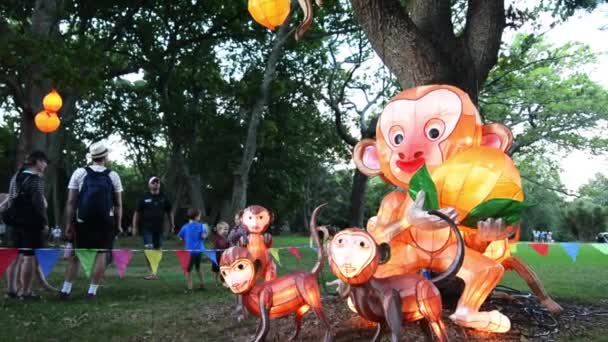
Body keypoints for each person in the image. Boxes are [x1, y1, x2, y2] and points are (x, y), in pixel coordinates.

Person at [60, 141, 123, 299]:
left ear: (92, 157)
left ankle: (65, 290)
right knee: (101, 254)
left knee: (76, 256)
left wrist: (69, 224)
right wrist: (119, 224)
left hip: (83, 221)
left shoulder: (79, 173)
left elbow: (70, 202)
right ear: (105, 156)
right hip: (105, 222)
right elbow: (118, 205)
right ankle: (92, 292)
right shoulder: (113, 175)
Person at [4, 151, 49, 299]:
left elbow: (10, 198)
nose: (46, 165)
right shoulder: (36, 179)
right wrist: (44, 222)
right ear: (37, 162)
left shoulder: (16, 176)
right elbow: (38, 204)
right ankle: (26, 291)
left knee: (13, 255)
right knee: (29, 256)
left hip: (13, 222)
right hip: (31, 223)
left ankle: (11, 289)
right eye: (44, 162)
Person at [132, 176, 174, 280]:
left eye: (157, 182)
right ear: (149, 185)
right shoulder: (144, 198)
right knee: (149, 249)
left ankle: (154, 271)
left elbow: (170, 212)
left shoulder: (164, 197)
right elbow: (137, 213)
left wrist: (172, 225)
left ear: (159, 184)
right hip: (147, 229)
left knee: (158, 250)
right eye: (153, 182)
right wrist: (134, 227)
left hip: (159, 230)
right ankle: (151, 272)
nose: (155, 184)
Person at [178, 208, 207, 291]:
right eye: (200, 215)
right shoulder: (201, 226)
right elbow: (203, 237)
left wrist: (185, 240)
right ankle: (202, 284)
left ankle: (190, 287)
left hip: (189, 252)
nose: (200, 217)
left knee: (188, 270)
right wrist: (205, 234)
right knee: (198, 267)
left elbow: (180, 237)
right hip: (198, 251)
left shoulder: (185, 227)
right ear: (196, 217)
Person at [211, 221, 230, 285]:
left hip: (224, 257)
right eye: (224, 229)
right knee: (216, 270)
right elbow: (216, 247)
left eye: (227, 229)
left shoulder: (227, 238)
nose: (226, 231)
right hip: (217, 257)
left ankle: (224, 281)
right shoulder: (216, 238)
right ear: (219, 230)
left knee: (223, 269)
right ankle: (215, 281)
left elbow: (228, 246)